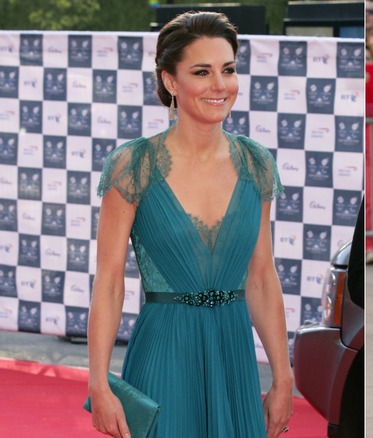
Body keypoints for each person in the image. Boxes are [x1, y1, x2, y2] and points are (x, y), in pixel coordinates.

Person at [87, 12, 292, 438]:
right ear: (170, 81)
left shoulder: (256, 163)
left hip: (233, 354)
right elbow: (108, 282)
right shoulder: (134, 165)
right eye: (203, 72)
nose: (221, 85)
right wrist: (99, 383)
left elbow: (261, 277)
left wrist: (283, 377)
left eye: (229, 70)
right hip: (165, 351)